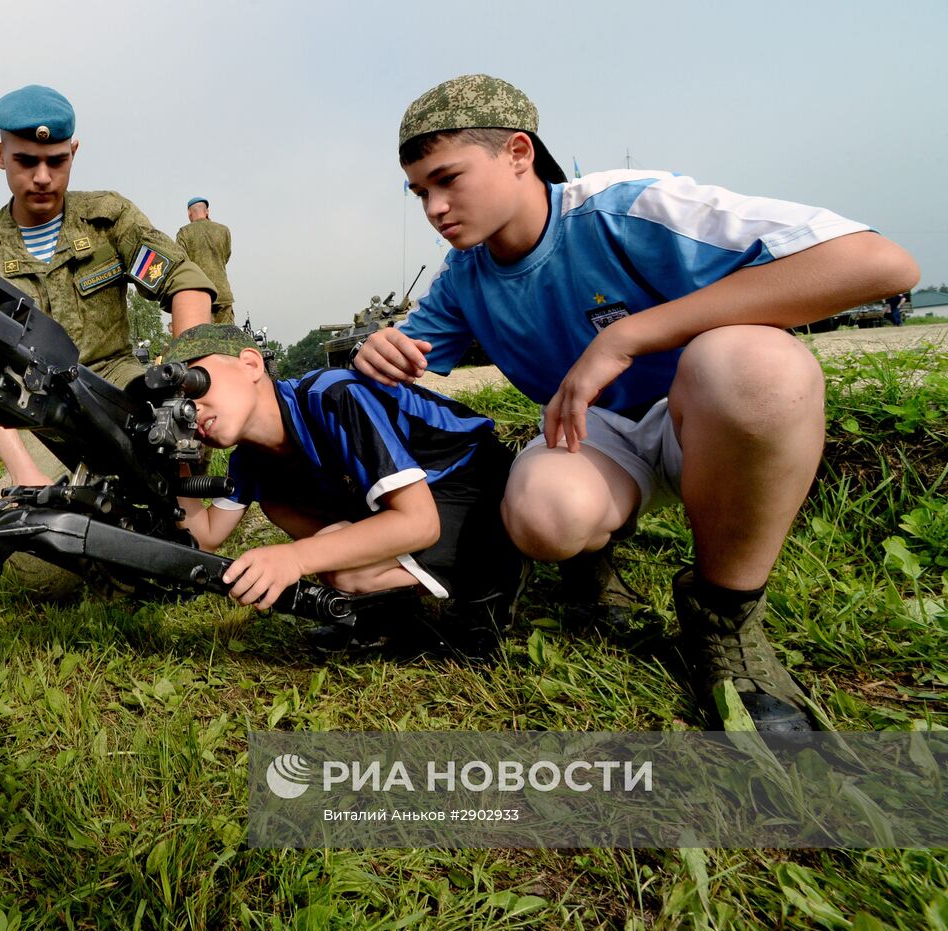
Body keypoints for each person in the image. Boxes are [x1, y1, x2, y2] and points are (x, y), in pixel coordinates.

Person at [354, 74, 919, 734]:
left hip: (707, 415)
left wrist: (630, 334)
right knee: (544, 513)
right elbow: (394, 369)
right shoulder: (464, 278)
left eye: (448, 179)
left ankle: (726, 615)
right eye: (420, 190)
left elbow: (880, 264)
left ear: (517, 153)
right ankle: (590, 562)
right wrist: (376, 358)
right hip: (596, 437)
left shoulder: (630, 207)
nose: (434, 207)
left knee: (760, 365)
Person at [169, 324, 527, 656]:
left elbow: (420, 523)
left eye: (198, 384)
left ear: (250, 364)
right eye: (180, 404)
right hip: (418, 500)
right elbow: (205, 535)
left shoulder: (332, 395)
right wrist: (172, 451)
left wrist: (294, 558)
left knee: (346, 570)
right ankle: (392, 612)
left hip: (472, 479)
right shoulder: (250, 459)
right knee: (279, 503)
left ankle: (488, 584)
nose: (192, 409)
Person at [0, 85, 215, 488]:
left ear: (73, 152)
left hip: (119, 389)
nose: (43, 177)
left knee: (173, 459)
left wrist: (184, 379)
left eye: (56, 162)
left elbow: (185, 284)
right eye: (26, 161)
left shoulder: (108, 221)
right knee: (27, 532)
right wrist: (25, 473)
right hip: (36, 416)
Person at [176, 197, 236, 324]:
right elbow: (225, 256)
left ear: (189, 213)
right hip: (222, 294)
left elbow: (180, 262)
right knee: (226, 339)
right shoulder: (223, 230)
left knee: (200, 340)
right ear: (207, 211)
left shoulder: (184, 233)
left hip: (198, 295)